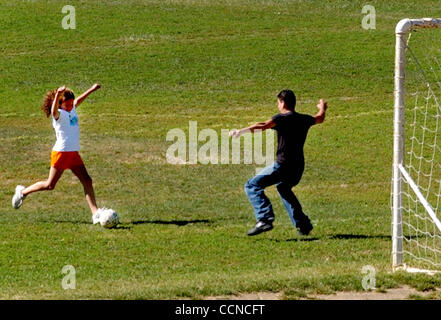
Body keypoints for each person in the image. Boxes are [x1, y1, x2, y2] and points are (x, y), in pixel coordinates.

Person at [229, 89, 327, 236]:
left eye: (278, 102)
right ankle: (303, 225)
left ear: (282, 102)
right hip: (298, 167)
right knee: (283, 188)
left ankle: (264, 219)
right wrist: (322, 108)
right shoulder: (304, 119)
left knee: (252, 185)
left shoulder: (282, 119)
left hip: (283, 165)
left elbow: (262, 125)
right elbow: (319, 118)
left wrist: (240, 132)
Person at [12, 83, 107, 225]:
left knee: (87, 180)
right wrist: (57, 95)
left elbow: (77, 101)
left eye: (71, 104)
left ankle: (95, 213)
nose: (70, 106)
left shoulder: (71, 109)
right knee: (50, 185)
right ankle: (22, 192)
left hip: (73, 153)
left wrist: (91, 90)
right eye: (67, 105)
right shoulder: (58, 115)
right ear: (60, 105)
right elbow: (54, 108)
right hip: (61, 154)